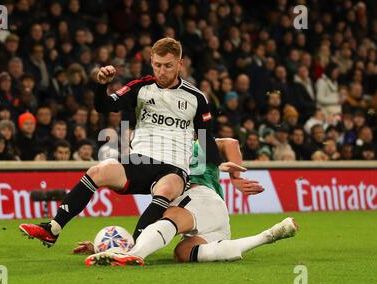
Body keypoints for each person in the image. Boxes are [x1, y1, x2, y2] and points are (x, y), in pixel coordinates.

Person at [19, 38, 221, 247]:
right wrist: (102, 85)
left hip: (174, 167)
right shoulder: (140, 88)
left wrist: (226, 170)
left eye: (168, 66)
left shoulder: (196, 97)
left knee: (166, 189)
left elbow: (206, 138)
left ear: (180, 64)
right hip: (140, 160)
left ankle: (131, 248)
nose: (162, 71)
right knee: (98, 171)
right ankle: (53, 228)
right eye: (157, 65)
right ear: (151, 61)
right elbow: (103, 106)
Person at [78, 138, 297, 266]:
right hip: (215, 218)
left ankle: (134, 255)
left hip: (200, 197)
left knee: (170, 217)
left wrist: (236, 178)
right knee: (183, 253)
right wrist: (104, 247)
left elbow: (230, 143)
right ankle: (268, 235)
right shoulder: (162, 158)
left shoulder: (197, 144)